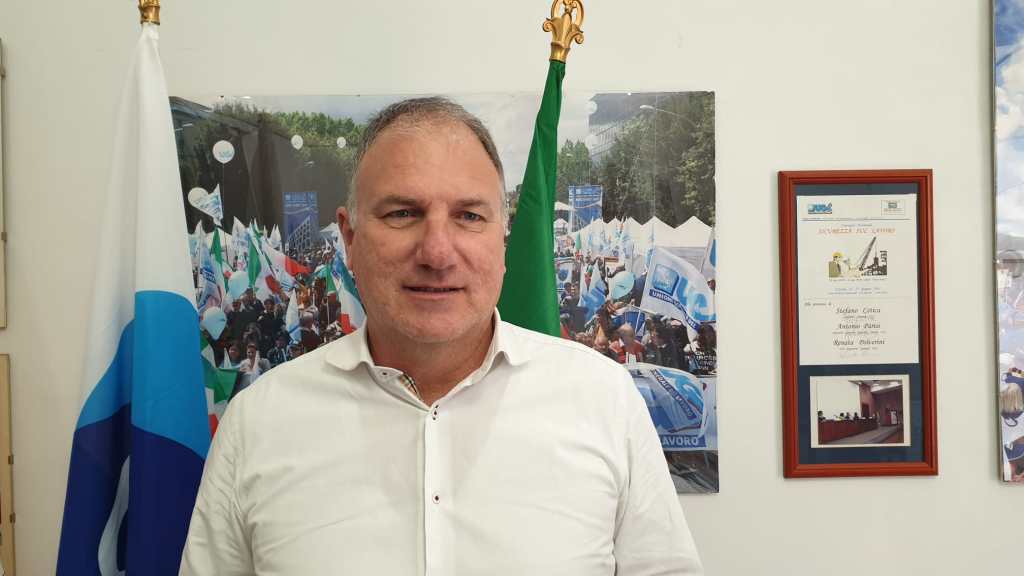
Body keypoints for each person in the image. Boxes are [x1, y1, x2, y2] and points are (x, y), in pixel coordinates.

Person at [181, 97, 702, 575]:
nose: (436, 252)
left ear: (503, 238)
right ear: (350, 237)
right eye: (402, 213)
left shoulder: (604, 401)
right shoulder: (258, 425)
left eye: (469, 216)